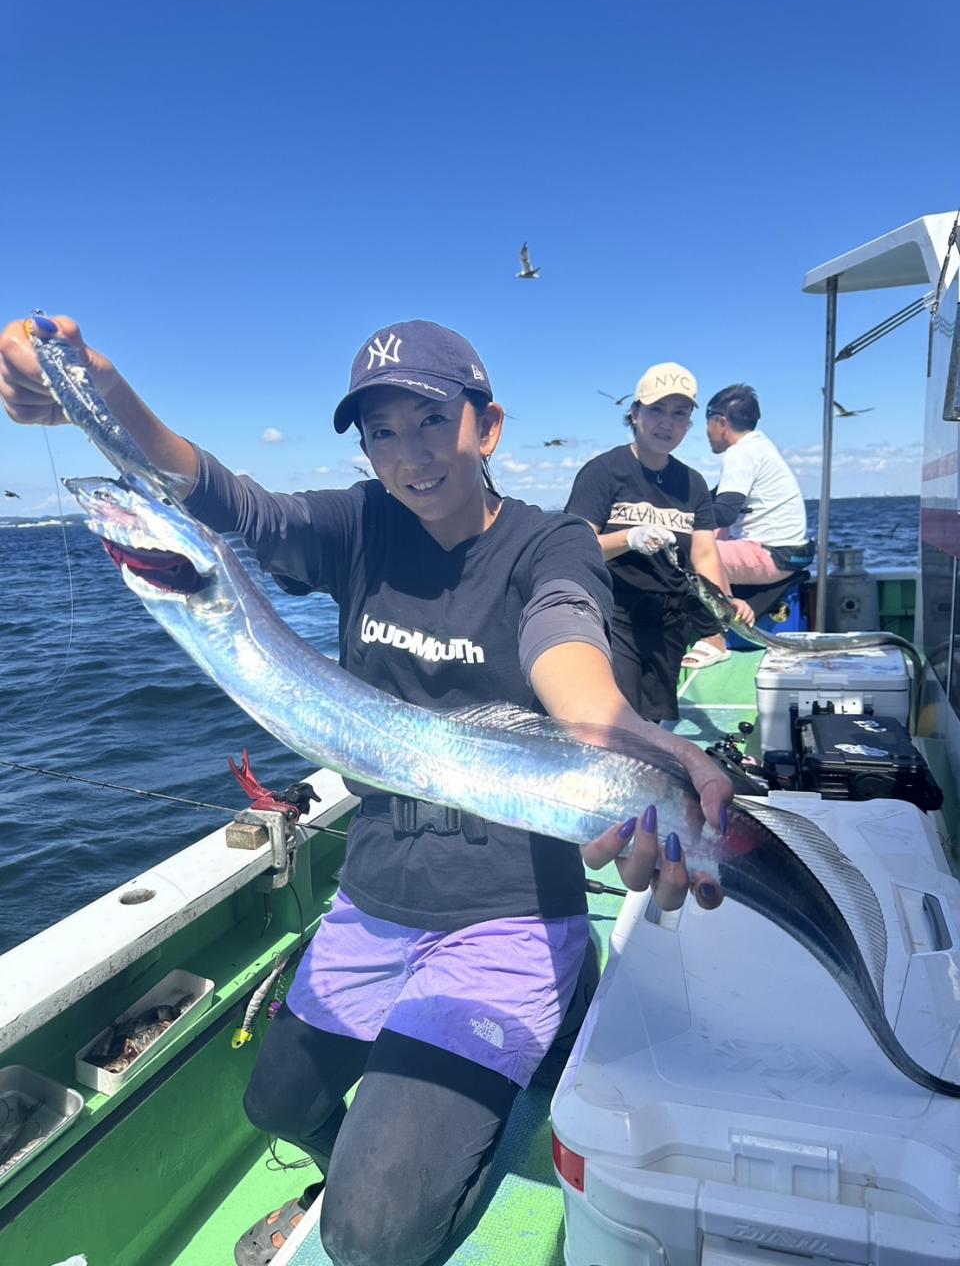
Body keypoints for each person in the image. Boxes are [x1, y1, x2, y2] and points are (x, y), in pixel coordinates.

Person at [0, 316, 731, 1266]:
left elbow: (566, 637)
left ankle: (540, 1010)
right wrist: (97, 388)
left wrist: (612, 729)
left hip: (509, 906)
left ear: (488, 427)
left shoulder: (547, 544)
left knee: (371, 1238)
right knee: (276, 1104)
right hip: (378, 890)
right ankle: (355, 1164)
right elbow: (220, 495)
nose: (408, 454)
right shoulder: (359, 527)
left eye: (429, 421)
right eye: (381, 432)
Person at [564, 362, 755, 723]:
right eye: (656, 410)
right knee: (616, 722)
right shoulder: (602, 472)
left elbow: (704, 555)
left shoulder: (693, 483)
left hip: (668, 623)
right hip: (613, 617)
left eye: (679, 413)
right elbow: (574, 548)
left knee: (652, 722)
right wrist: (628, 538)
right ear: (635, 413)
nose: (667, 423)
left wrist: (726, 602)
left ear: (689, 423)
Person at [683, 383, 812, 670]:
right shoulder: (759, 445)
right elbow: (712, 500)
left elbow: (724, 512)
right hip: (788, 552)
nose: (706, 432)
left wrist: (676, 525)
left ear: (721, 422)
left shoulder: (740, 453)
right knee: (707, 536)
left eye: (707, 423)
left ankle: (716, 637)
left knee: (694, 550)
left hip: (773, 554)